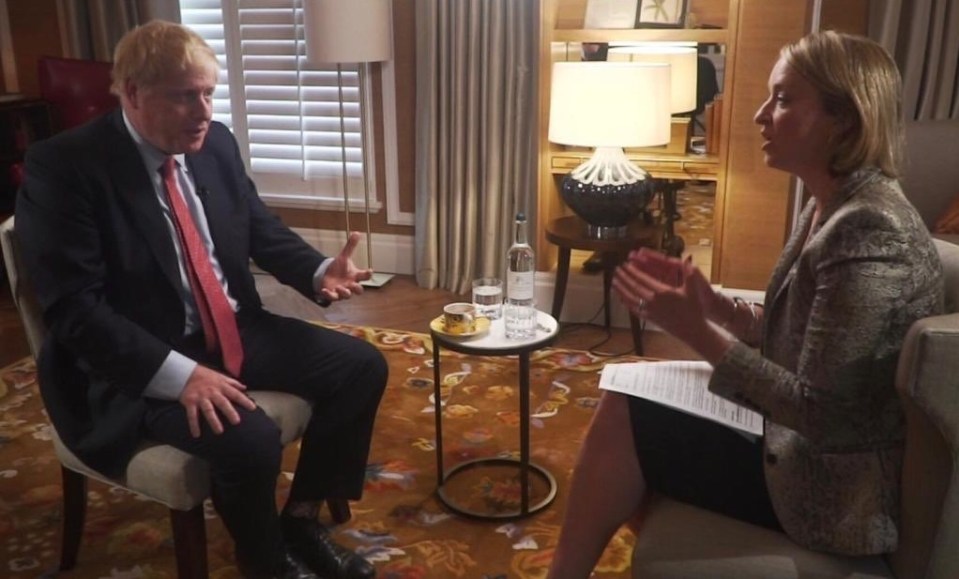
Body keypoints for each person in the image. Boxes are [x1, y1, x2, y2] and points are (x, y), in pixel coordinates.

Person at [546, 30, 944, 577]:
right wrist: (716, 307)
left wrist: (698, 331)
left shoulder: (870, 230)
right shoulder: (831, 202)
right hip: (805, 444)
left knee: (626, 420)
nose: (759, 114)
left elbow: (822, 413)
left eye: (782, 99)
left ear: (843, 120)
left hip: (831, 491)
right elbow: (802, 334)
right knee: (626, 389)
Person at [16, 20, 387, 579]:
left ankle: (302, 520)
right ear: (133, 93)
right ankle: (264, 562)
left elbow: (257, 225)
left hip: (230, 328)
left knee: (362, 367)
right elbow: (76, 311)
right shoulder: (66, 167)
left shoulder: (215, 143)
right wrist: (182, 376)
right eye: (184, 96)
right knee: (253, 440)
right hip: (133, 362)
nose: (204, 110)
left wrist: (315, 270)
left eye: (209, 93)